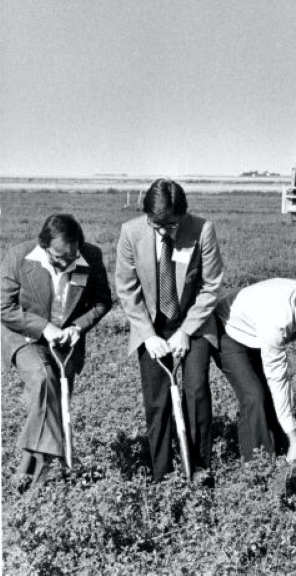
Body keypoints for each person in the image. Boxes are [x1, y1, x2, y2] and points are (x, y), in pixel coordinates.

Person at [115, 179, 224, 482]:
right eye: (156, 225)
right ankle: (161, 472)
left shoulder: (202, 230)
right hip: (151, 326)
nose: (163, 231)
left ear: (183, 214)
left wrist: (186, 331)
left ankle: (200, 467)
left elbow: (211, 285)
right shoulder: (131, 232)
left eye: (171, 225)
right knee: (157, 399)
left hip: (193, 322)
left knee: (197, 390)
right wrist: (149, 335)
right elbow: (126, 289)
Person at [2, 214, 112, 488]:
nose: (66, 264)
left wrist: (78, 327)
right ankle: (43, 474)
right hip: (25, 336)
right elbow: (4, 308)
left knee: (53, 403)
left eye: (71, 258)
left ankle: (29, 476)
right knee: (44, 381)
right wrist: (44, 328)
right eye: (58, 258)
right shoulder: (18, 256)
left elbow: (102, 301)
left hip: (67, 342)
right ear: (43, 245)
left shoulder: (91, 256)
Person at [216, 280, 296, 465]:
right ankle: (257, 465)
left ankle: (279, 450)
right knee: (254, 395)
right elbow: (278, 380)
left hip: (256, 328)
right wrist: (295, 441)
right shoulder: (276, 320)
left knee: (270, 397)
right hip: (229, 329)